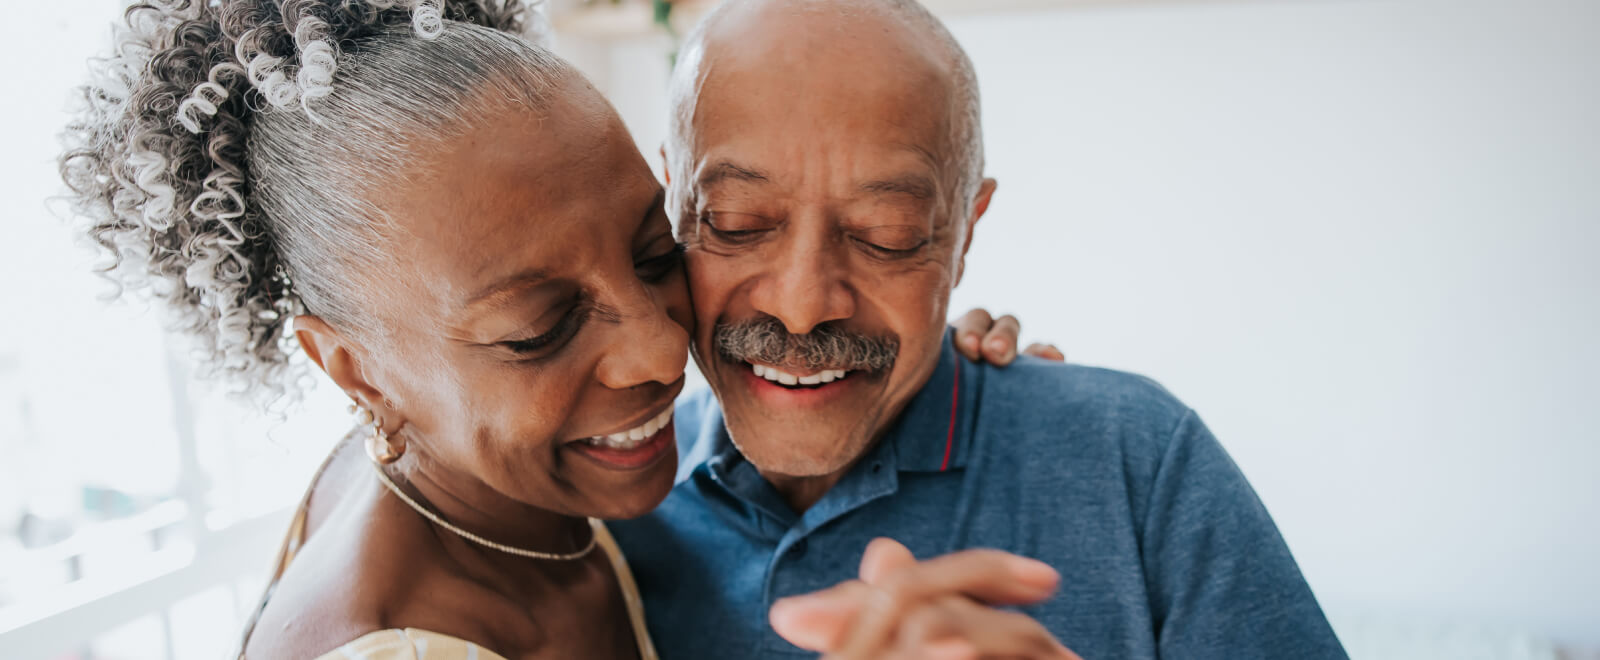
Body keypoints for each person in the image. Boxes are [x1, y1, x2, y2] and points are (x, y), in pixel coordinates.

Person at [58, 1, 1048, 658]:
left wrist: (911, 353)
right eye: (538, 328)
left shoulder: (478, 473)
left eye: (655, 252)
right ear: (355, 370)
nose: (665, 354)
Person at [608, 1, 1352, 658]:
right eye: (737, 224)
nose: (802, 307)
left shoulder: (1136, 461)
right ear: (674, 201)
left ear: (965, 231)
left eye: (887, 234)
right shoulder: (607, 517)